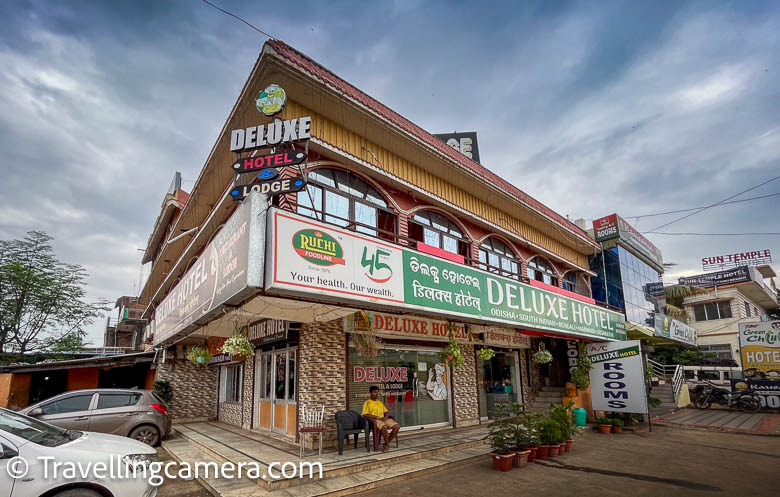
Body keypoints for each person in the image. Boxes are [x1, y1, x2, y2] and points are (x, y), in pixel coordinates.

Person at [362, 385, 400, 452]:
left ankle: (385, 443)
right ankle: (387, 445)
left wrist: (386, 417)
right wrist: (375, 417)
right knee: (384, 427)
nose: (377, 394)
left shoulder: (380, 402)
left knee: (397, 426)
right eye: (375, 392)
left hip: (383, 419)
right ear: (370, 393)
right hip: (374, 421)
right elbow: (365, 414)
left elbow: (386, 411)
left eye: (377, 392)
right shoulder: (367, 403)